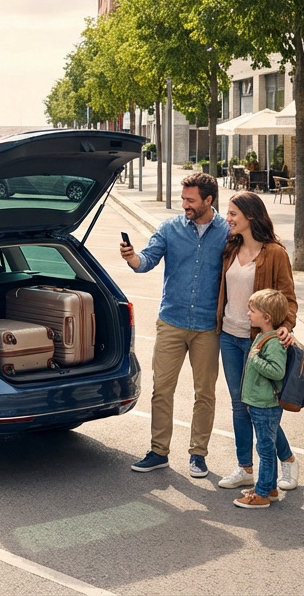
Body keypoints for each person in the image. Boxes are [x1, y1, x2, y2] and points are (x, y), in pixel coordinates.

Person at [121, 172, 229, 478]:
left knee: (205, 393)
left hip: (208, 325)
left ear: (209, 200)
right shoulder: (169, 228)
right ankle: (158, 452)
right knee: (161, 390)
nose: (185, 205)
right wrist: (132, 258)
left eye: (190, 200)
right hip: (171, 321)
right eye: (183, 199)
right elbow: (147, 260)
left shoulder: (226, 232)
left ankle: (198, 455)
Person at [215, 191, 300, 492]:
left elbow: (288, 299)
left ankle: (287, 460)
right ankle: (245, 468)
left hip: (258, 342)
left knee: (260, 407)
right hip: (229, 337)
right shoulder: (229, 249)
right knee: (239, 406)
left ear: (250, 216)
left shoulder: (275, 253)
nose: (229, 218)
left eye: (233, 214)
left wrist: (286, 326)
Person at [233, 289, 290, 509]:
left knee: (265, 450)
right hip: (259, 403)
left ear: (266, 317)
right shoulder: (263, 336)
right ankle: (270, 488)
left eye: (252, 310)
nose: (248, 314)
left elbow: (277, 372)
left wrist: (255, 359)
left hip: (266, 405)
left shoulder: (274, 342)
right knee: (268, 447)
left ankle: (262, 494)